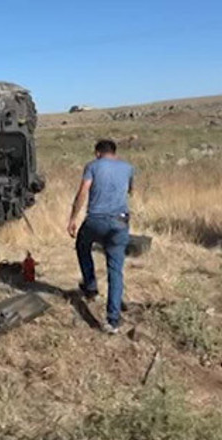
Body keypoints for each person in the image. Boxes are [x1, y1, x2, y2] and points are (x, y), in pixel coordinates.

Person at [67, 139, 134, 334]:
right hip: (119, 222)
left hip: (95, 220)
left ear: (97, 153)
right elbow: (130, 190)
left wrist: (72, 218)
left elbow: (82, 193)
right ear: (115, 153)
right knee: (115, 269)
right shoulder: (128, 167)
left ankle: (90, 287)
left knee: (82, 244)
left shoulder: (92, 166)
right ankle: (113, 320)